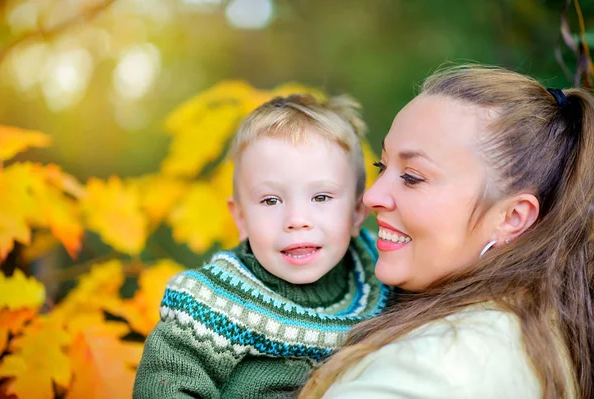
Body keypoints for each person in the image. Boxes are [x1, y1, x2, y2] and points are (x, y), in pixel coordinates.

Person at [300, 65, 594, 399]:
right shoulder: (542, 329)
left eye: (412, 177)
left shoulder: (435, 368)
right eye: (382, 167)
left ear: (512, 217)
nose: (371, 196)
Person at [133, 94, 389, 398]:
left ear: (358, 213)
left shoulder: (380, 270)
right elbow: (165, 385)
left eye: (321, 197)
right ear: (241, 218)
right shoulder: (213, 303)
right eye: (271, 200)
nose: (296, 220)